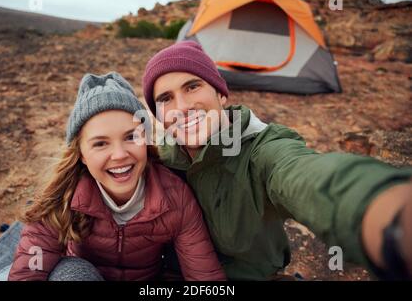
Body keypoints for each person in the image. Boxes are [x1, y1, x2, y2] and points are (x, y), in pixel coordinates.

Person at [141, 41, 412, 280]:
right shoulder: (161, 156)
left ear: (221, 94)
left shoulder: (262, 149)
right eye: (165, 99)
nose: (182, 107)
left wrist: (386, 211)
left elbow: (306, 176)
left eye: (193, 86)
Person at [8, 71, 226, 281]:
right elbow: (30, 269)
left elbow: (203, 274)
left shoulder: (176, 197)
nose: (120, 155)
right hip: (84, 275)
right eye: (101, 143)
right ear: (81, 154)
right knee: (71, 273)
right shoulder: (63, 196)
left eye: (131, 137)